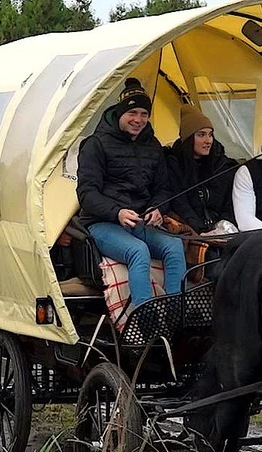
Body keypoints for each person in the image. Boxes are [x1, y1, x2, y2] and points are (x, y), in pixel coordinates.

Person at [76, 77, 185, 311]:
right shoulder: (96, 144)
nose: (138, 120)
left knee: (175, 247)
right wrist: (117, 212)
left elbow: (162, 189)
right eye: (132, 113)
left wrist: (158, 208)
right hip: (102, 223)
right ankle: (144, 317)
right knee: (138, 251)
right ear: (120, 113)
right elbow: (86, 194)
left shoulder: (152, 145)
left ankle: (175, 313)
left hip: (141, 222)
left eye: (144, 114)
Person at [165, 104, 240, 234]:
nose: (208, 140)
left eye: (210, 135)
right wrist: (202, 231)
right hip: (193, 230)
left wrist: (225, 225)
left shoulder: (222, 166)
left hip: (224, 229)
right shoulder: (174, 165)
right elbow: (180, 204)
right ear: (189, 138)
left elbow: (230, 203)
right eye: (201, 135)